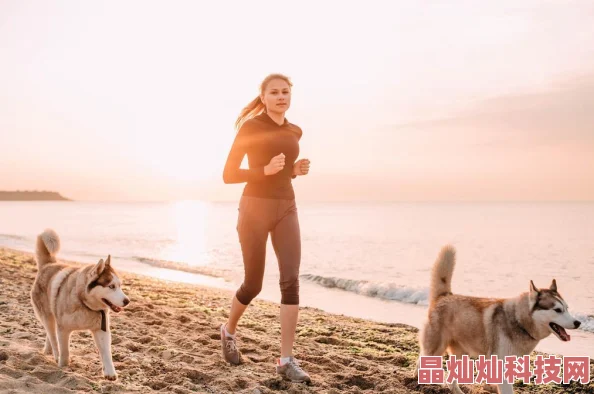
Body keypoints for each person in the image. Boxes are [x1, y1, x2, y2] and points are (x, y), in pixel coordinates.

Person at [220, 73, 311, 383]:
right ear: (263, 97)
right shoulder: (251, 127)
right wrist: (264, 170)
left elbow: (284, 171)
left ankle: (286, 360)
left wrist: (294, 171)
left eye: (285, 92)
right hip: (254, 209)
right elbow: (229, 174)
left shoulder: (295, 130)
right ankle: (228, 330)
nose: (281, 96)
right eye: (274, 92)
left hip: (287, 206)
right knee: (253, 284)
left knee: (290, 280)